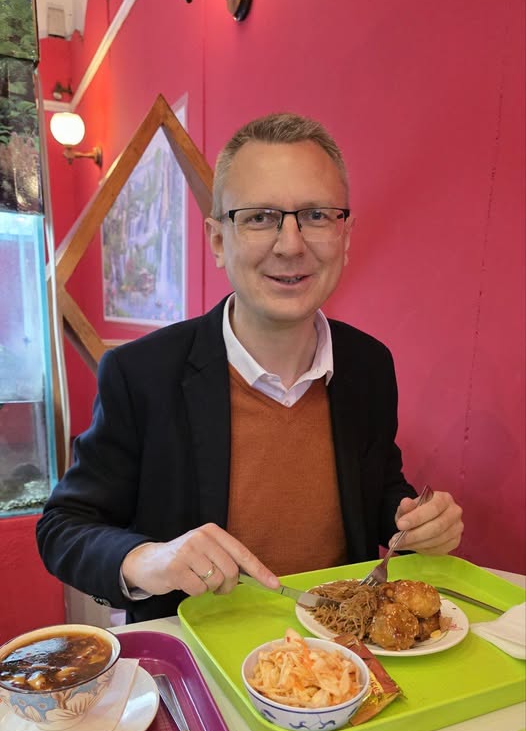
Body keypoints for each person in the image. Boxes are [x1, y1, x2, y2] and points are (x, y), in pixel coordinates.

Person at [36, 112, 463, 623]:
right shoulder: (141, 374)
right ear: (219, 240)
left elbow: (376, 492)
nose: (291, 244)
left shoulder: (369, 365)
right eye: (260, 217)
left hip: (340, 651)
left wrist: (413, 522)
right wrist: (149, 558)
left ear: (345, 236)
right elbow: (63, 526)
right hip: (198, 652)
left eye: (317, 215)